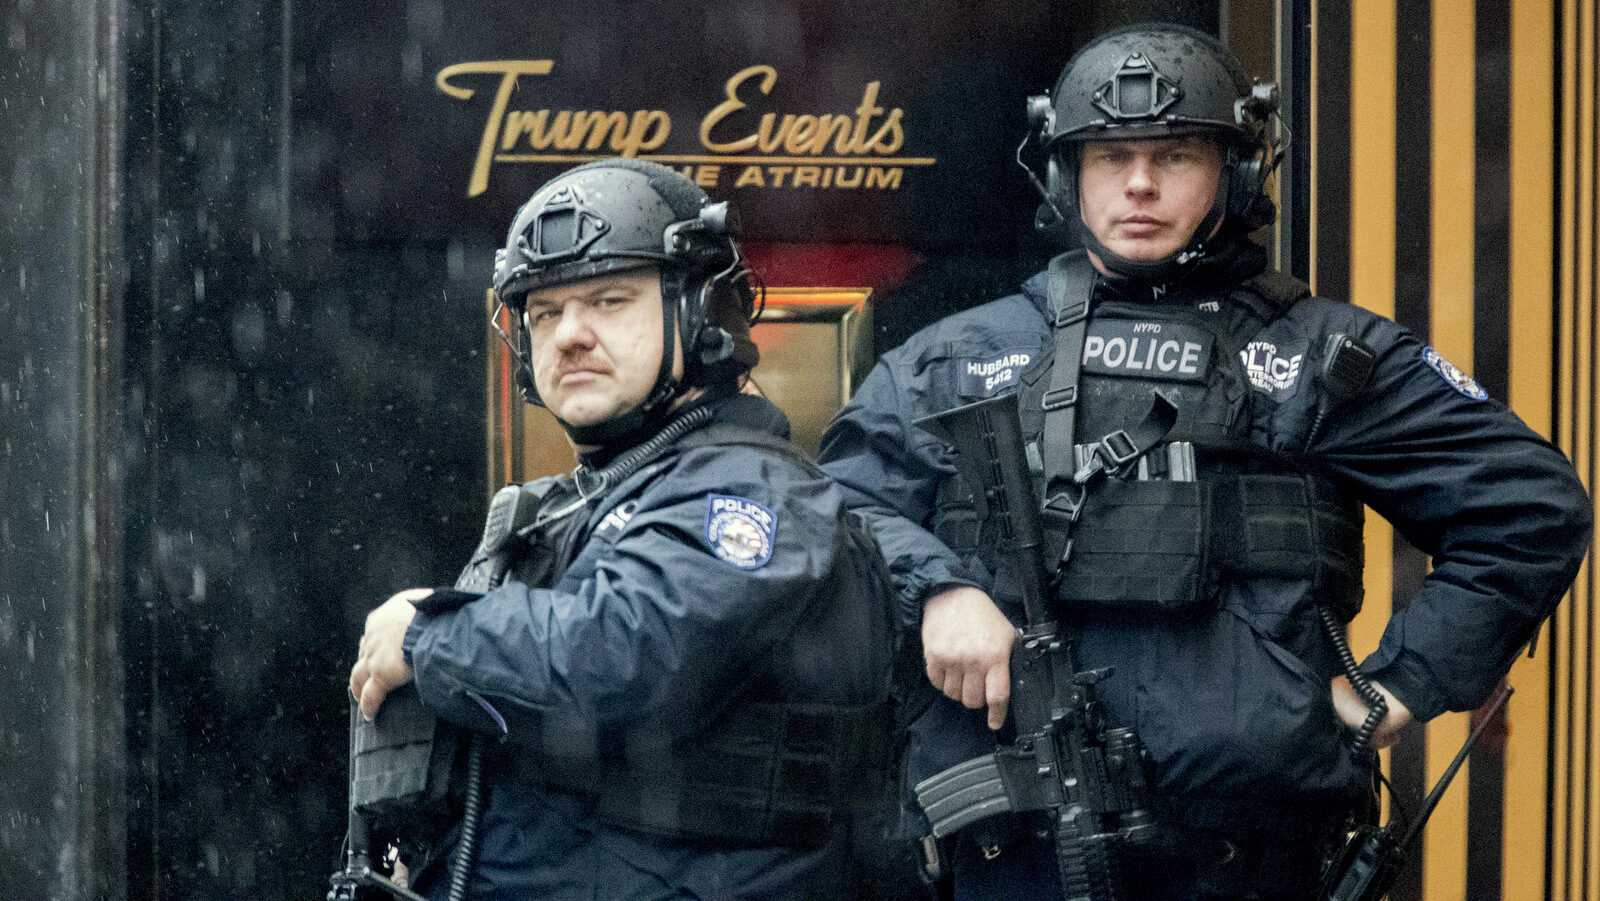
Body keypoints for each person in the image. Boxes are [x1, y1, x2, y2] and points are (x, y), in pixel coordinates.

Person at [817, 23, 1591, 900]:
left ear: (1239, 169)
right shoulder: (958, 358)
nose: (1139, 183)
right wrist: (938, 589)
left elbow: (1529, 504)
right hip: (1013, 849)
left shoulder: (1317, 357)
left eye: (1175, 155)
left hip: (1245, 859)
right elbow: (830, 516)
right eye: (1110, 157)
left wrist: (1396, 686)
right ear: (1068, 174)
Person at [348, 158, 899, 900]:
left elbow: (622, 657)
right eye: (544, 313)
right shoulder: (576, 502)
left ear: (699, 312)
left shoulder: (751, 490)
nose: (569, 334)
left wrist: (427, 635)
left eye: (609, 300)